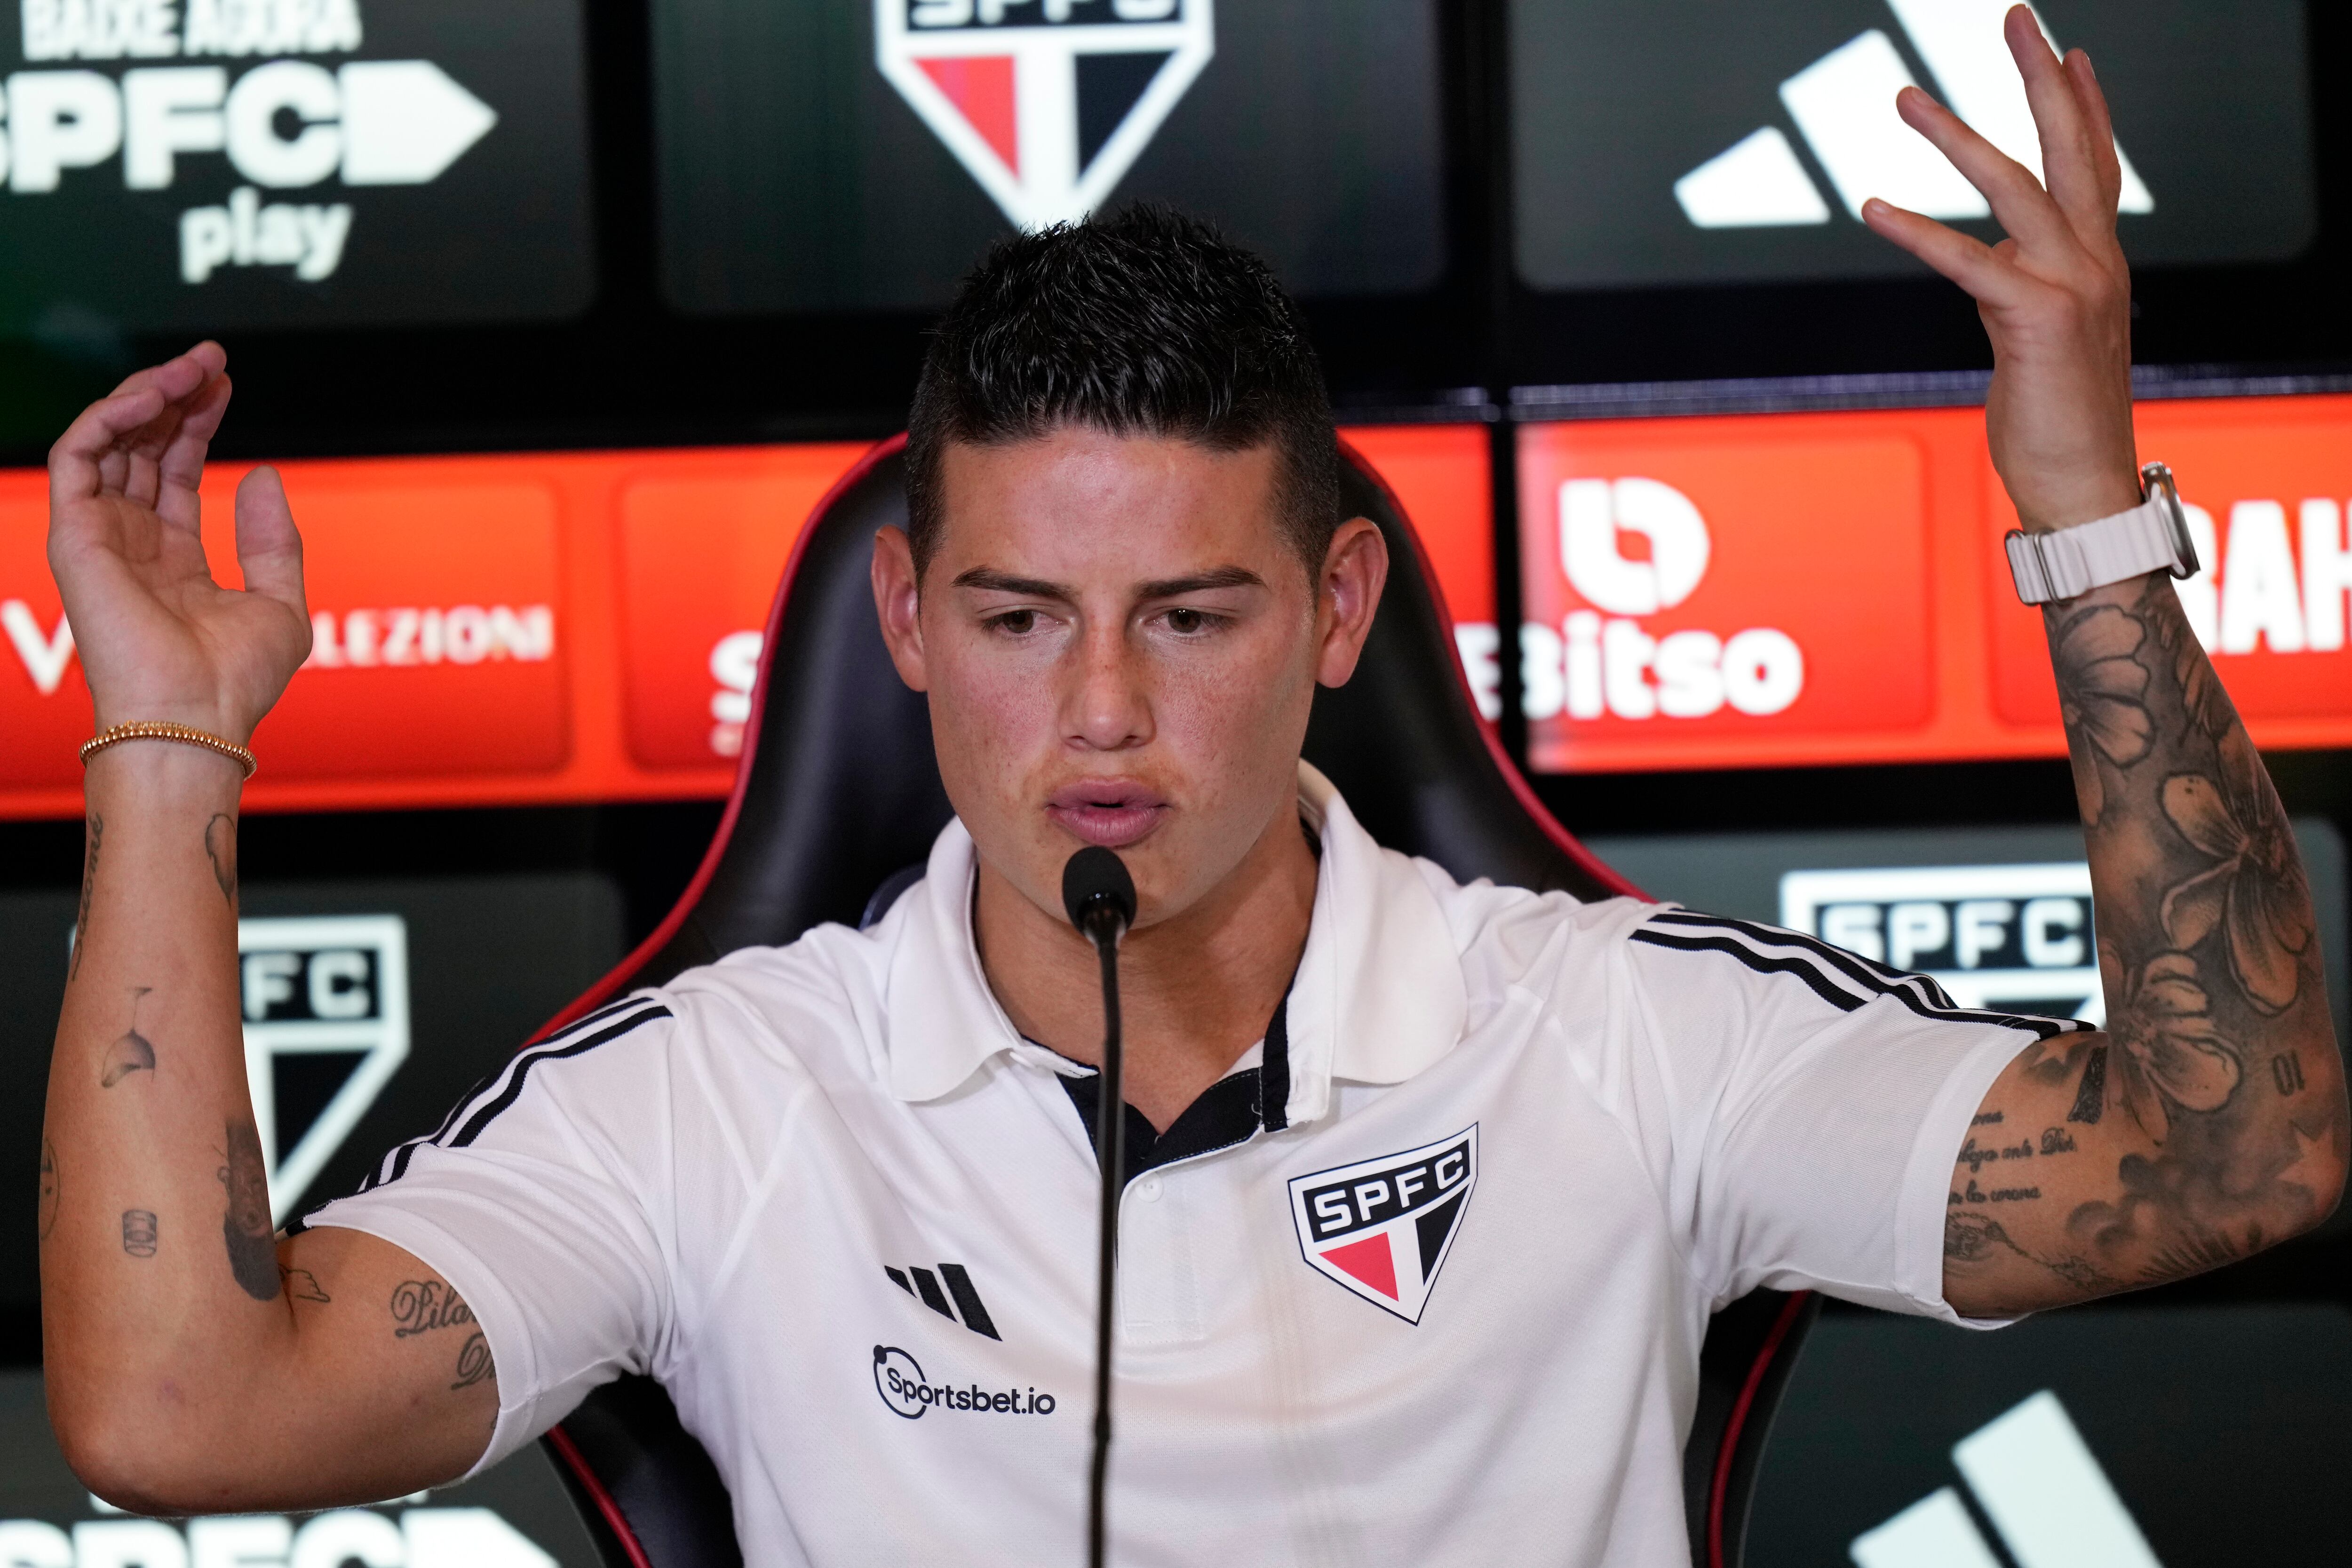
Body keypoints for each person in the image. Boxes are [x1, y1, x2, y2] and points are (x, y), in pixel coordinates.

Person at [36, 11, 2343, 1562]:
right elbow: (172, 1420)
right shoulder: (715, 1098)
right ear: (905, 625)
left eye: (1194, 618)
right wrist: (167, 741)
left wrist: (2084, 508)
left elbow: (2232, 1161)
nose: (1104, 717)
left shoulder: (1627, 1030)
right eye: (1024, 620)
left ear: (1339, 617)